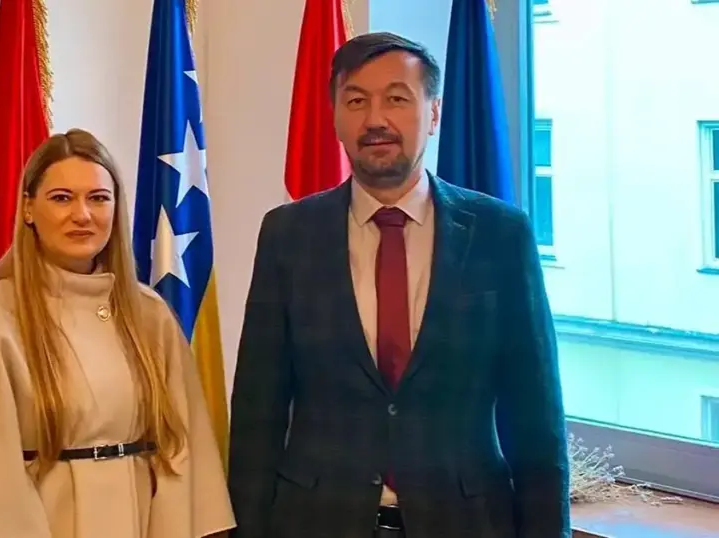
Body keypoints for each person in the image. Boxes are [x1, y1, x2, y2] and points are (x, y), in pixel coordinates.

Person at [227, 32, 569, 538]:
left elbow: (535, 417)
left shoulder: (500, 234)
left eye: (396, 99)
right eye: (356, 101)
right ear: (335, 117)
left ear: (433, 113)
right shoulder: (288, 234)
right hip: (315, 521)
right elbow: (258, 410)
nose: (375, 120)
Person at [0, 128, 235, 538]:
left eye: (98, 198)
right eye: (62, 198)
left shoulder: (149, 317)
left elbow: (182, 457)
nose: (82, 215)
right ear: (28, 208)